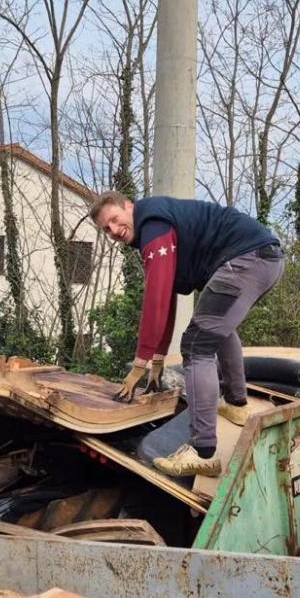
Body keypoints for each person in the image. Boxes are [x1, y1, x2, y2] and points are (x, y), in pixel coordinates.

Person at [90, 190, 285, 476]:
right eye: (106, 229)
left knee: (196, 346)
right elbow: (166, 297)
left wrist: (139, 363)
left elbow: (155, 299)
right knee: (214, 330)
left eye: (115, 220)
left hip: (247, 260)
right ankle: (237, 404)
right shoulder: (155, 224)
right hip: (264, 259)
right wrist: (156, 359)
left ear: (129, 206)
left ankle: (202, 451)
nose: (114, 231)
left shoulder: (153, 226)